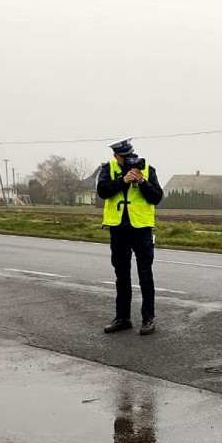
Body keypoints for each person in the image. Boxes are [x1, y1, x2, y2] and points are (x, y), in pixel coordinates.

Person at [97, 139, 163, 335]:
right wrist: (122, 180)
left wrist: (142, 181)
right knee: (122, 275)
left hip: (141, 229)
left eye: (131, 156)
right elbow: (102, 192)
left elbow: (156, 197)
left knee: (145, 275)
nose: (129, 161)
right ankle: (122, 318)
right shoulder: (107, 169)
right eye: (124, 158)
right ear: (116, 156)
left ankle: (148, 319)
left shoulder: (147, 169)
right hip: (118, 229)